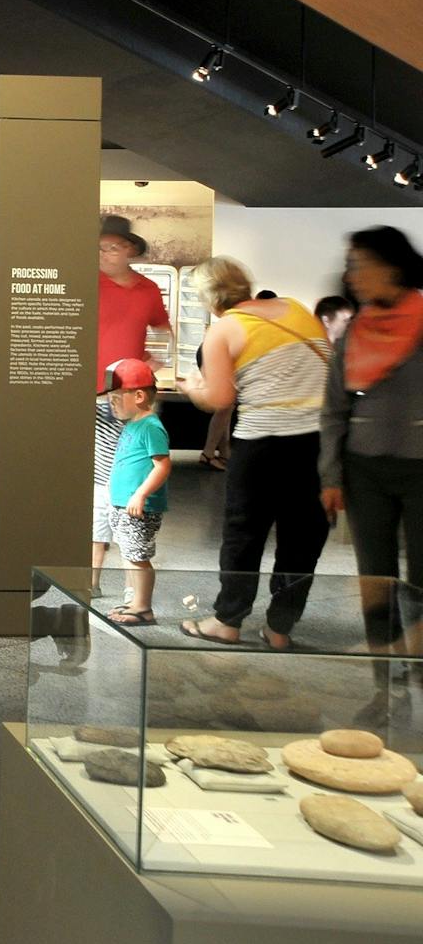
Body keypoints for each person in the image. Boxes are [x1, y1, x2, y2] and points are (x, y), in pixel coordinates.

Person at [179, 258, 332, 648]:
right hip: (315, 444)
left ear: (210, 298)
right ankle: (280, 629)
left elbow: (219, 398)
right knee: (302, 540)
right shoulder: (297, 309)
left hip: (261, 446)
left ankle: (227, 621)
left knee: (243, 536)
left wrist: (191, 388)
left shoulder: (224, 330)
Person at [320, 227, 423, 674]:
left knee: (422, 571)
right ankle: (381, 652)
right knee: (373, 569)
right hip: (364, 469)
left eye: (361, 265)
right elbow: (333, 410)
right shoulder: (355, 331)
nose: (353, 276)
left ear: (393, 266)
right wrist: (330, 475)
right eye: (351, 267)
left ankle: (418, 654)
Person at [94, 216, 171, 512]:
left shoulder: (148, 289)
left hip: (123, 395)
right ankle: (96, 540)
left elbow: (163, 330)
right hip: (82, 389)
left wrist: (151, 364)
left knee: (120, 466)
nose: (104, 254)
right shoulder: (87, 283)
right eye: (99, 248)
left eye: (112, 247)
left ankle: (108, 530)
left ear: (129, 249)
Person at [92, 358, 170, 626]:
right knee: (129, 554)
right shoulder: (132, 425)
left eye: (115, 398)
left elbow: (162, 465)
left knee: (138, 557)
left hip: (138, 507)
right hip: (122, 505)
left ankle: (143, 607)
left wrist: (140, 494)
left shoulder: (150, 427)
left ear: (138, 396)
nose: (110, 404)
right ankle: (134, 602)